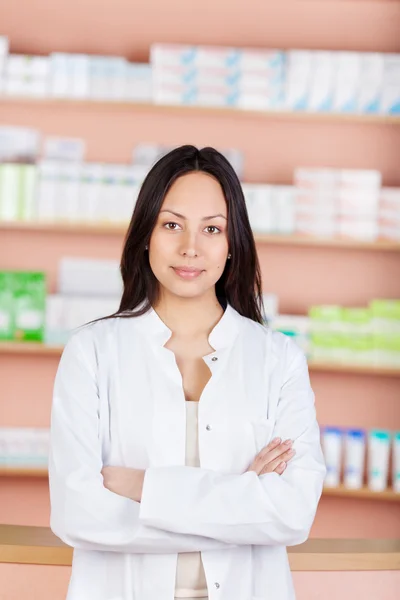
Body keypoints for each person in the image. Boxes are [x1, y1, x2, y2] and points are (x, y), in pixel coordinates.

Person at [48, 145, 326, 600]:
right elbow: (78, 514)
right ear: (145, 235)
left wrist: (144, 487)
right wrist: (242, 506)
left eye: (212, 229)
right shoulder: (91, 352)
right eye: (171, 224)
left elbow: (292, 514)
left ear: (232, 242)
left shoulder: (278, 359)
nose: (190, 247)